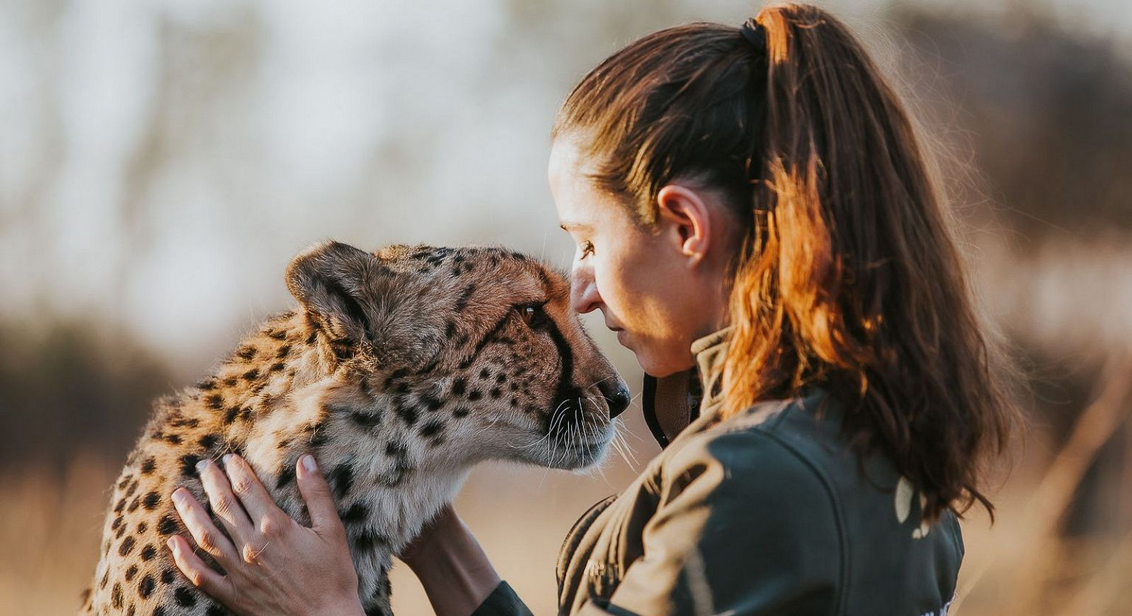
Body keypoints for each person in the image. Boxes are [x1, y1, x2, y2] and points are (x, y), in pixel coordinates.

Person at [165, 3, 1017, 615]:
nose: (579, 287)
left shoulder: (757, 484)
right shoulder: (860, 450)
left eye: (585, 240)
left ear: (684, 226)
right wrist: (440, 543)